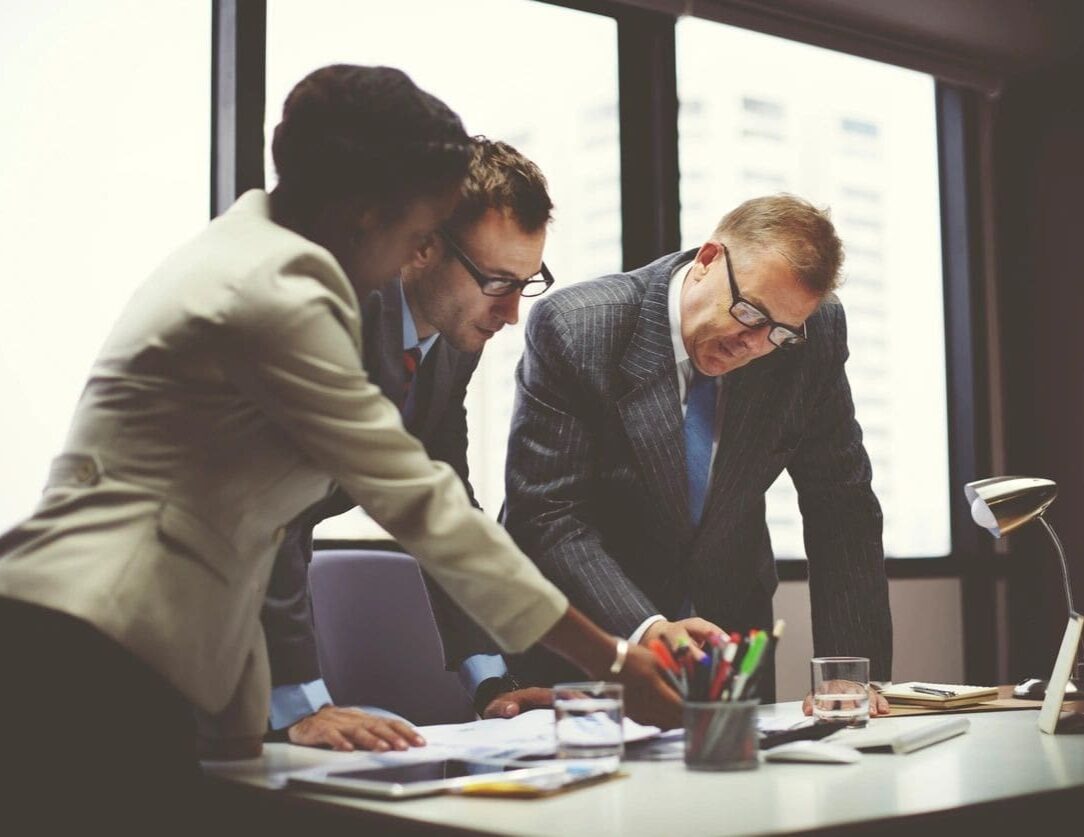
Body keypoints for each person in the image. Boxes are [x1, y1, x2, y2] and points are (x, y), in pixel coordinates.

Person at [0, 64, 678, 827]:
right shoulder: (277, 292)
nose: (410, 260)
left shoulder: (260, 251)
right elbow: (415, 501)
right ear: (365, 215)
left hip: (142, 642)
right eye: (417, 235)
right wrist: (611, 659)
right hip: (92, 639)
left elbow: (278, 513)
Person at [502, 193, 893, 709]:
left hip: (729, 644)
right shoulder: (579, 327)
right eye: (749, 313)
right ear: (708, 260)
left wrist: (850, 673)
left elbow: (841, 505)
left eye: (779, 333)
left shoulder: (811, 336)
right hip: (595, 643)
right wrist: (646, 627)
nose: (754, 345)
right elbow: (548, 515)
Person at [265, 138, 561, 751]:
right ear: (423, 247)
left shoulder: (455, 343)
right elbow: (270, 516)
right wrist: (300, 701)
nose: (510, 315)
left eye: (526, 284)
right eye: (497, 282)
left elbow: (443, 507)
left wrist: (492, 683)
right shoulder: (326, 312)